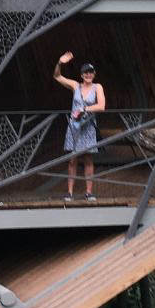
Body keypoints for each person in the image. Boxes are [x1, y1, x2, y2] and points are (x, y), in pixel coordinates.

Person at [53, 51, 105, 202]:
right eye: (86, 72)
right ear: (81, 75)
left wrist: (84, 109)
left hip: (88, 126)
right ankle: (69, 192)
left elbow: (101, 106)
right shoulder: (75, 86)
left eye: (91, 72)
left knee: (88, 159)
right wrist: (60, 63)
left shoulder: (97, 87)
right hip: (74, 126)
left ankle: (89, 192)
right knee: (72, 159)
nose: (88, 75)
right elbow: (57, 76)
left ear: (94, 74)